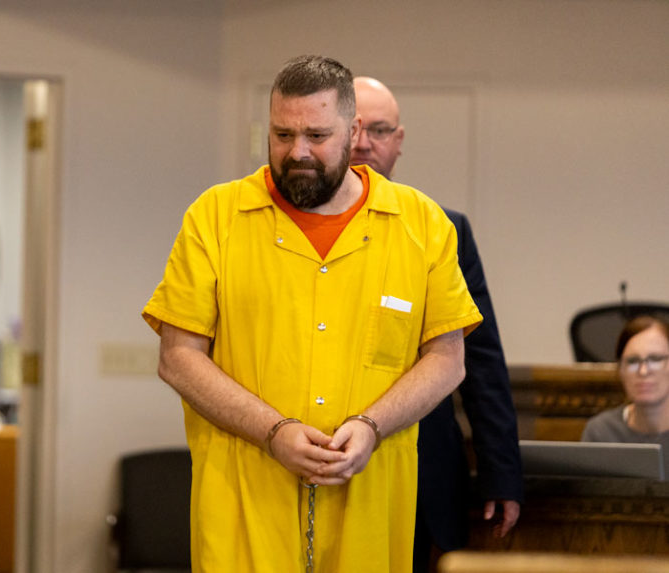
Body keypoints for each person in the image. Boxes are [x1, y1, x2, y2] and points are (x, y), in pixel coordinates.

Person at [142, 55, 482, 572]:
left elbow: (447, 360)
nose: (297, 152)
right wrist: (273, 431)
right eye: (282, 135)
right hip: (244, 510)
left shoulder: (423, 224)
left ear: (354, 131)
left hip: (369, 508)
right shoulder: (215, 217)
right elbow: (178, 358)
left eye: (317, 136)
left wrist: (371, 425)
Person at [351, 76, 523, 571]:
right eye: (356, 128)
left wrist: (501, 472)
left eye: (379, 130)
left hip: (425, 461)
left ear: (399, 142)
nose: (365, 143)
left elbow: (482, 357)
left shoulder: (441, 228)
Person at [582, 315, 669, 478]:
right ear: (620, 370)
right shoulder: (601, 432)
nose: (643, 371)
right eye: (633, 361)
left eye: (656, 359)